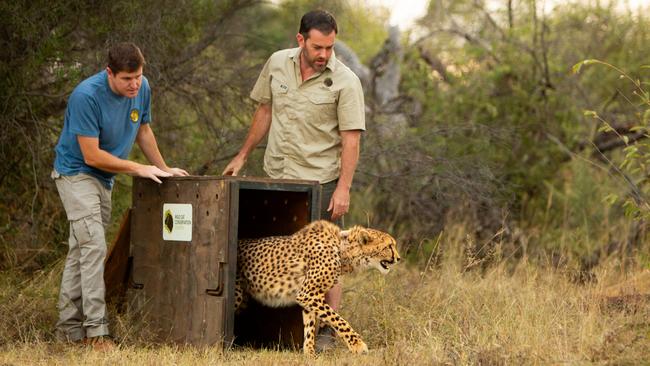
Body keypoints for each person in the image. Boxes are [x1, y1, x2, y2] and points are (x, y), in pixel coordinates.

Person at [222, 10, 365, 350]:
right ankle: (269, 331)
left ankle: (328, 335)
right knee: (274, 259)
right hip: (277, 177)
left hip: (320, 183)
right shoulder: (276, 63)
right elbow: (264, 112)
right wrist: (242, 155)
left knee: (328, 262)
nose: (324, 54)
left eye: (330, 47)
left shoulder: (346, 82)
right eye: (318, 47)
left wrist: (343, 188)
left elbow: (352, 140)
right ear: (300, 39)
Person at [52, 42, 188, 350]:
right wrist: (137, 169)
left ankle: (67, 332)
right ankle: (96, 333)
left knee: (82, 251)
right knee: (94, 248)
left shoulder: (142, 88)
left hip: (105, 179)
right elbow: (91, 156)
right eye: (127, 78)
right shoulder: (86, 96)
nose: (134, 84)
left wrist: (164, 168)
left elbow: (143, 131)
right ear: (109, 73)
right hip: (76, 174)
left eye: (138, 76)